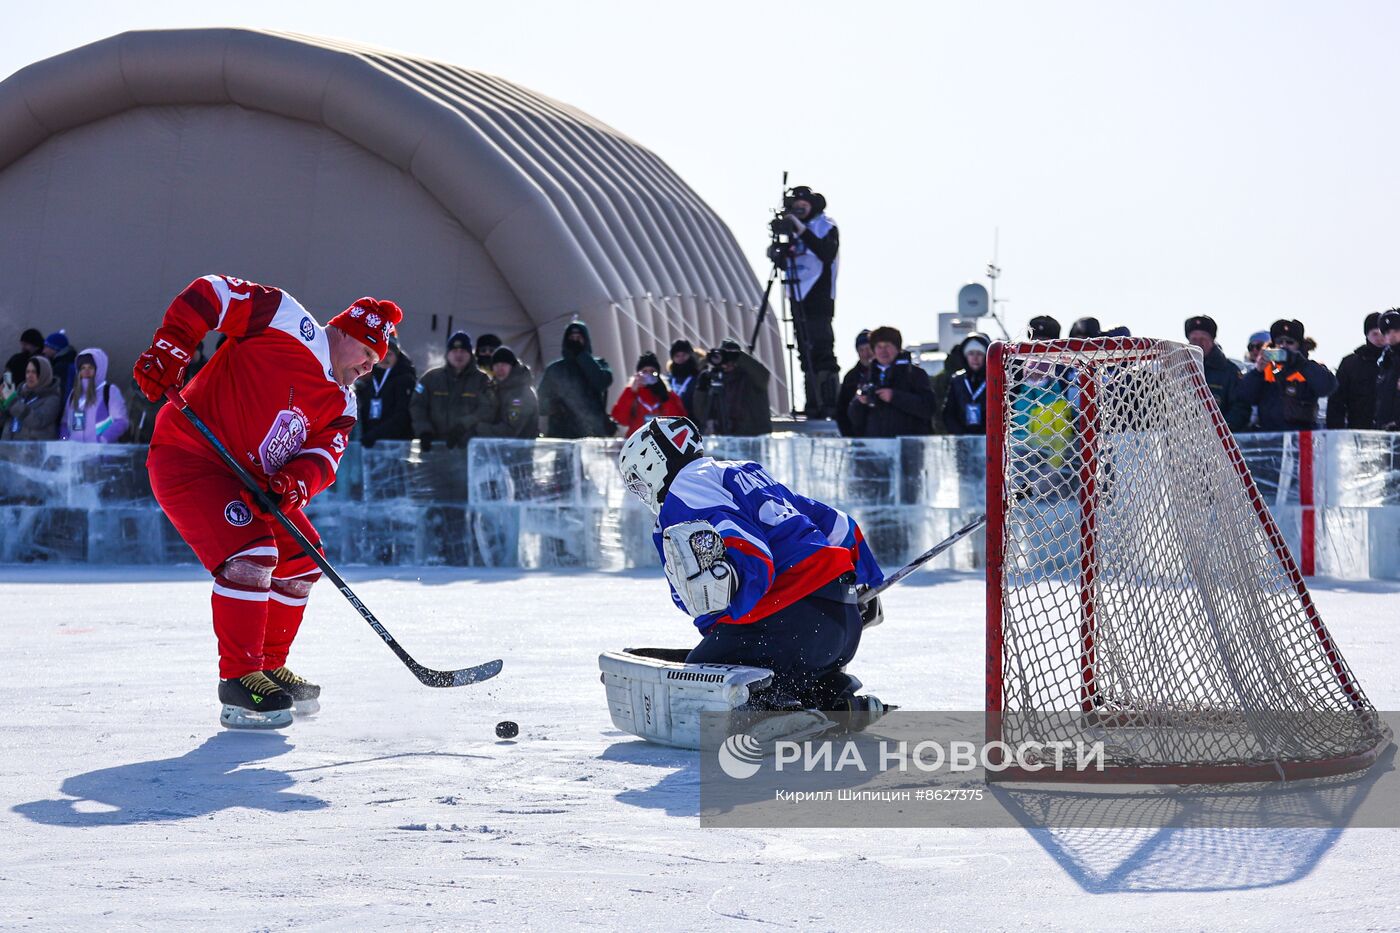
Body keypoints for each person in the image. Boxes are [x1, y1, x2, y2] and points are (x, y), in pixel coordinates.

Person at [132, 273, 402, 729]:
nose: (369, 368)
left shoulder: (344, 404)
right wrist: (172, 347)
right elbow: (210, 292)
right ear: (346, 334)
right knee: (252, 554)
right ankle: (238, 682)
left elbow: (322, 458)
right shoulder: (285, 319)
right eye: (368, 354)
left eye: (377, 361)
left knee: (303, 557)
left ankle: (267, 665)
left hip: (252, 483)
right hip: (190, 459)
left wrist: (293, 484)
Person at [617, 416, 886, 714]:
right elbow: (839, 523)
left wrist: (721, 623)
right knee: (793, 672)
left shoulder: (684, 489)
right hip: (841, 624)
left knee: (701, 675)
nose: (643, 492)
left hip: (790, 620)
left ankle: (769, 708)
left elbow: (751, 552)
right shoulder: (744, 471)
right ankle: (834, 700)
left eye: (639, 481)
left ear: (653, 461)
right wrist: (865, 584)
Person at [770, 185, 840, 417]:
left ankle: (828, 402)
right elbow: (782, 261)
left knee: (821, 351)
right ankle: (813, 402)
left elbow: (825, 252)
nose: (799, 210)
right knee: (805, 353)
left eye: (803, 206)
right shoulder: (795, 232)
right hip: (797, 297)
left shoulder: (825, 226)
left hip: (818, 298)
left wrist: (799, 228)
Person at [1238, 319, 1337, 432]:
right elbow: (1244, 396)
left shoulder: (1308, 368)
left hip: (1302, 437)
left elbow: (1328, 387)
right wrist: (1257, 372)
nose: (1284, 346)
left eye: (1289, 342)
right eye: (1280, 342)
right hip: (1270, 437)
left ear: (1299, 345)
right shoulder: (1266, 369)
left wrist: (1299, 361)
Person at [847, 326, 935, 438]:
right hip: (876, 447)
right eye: (879, 347)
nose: (883, 351)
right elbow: (854, 418)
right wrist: (860, 402)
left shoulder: (915, 374)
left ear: (898, 349)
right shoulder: (867, 376)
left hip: (908, 445)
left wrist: (895, 396)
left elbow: (928, 408)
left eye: (887, 346)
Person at [411, 331, 493, 450]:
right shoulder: (430, 378)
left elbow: (487, 409)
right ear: (447, 354)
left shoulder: (482, 380)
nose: (458, 355)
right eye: (454, 351)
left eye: (463, 351)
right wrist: (424, 431)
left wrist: (463, 426)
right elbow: (417, 405)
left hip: (466, 448)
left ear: (470, 354)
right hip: (433, 447)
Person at [538, 321, 614, 437]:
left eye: (579, 338)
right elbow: (540, 404)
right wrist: (557, 406)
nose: (575, 341)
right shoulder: (555, 370)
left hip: (592, 432)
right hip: (562, 434)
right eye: (572, 338)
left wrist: (582, 356)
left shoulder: (599, 365)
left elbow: (602, 382)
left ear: (586, 340)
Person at [692, 339, 772, 437]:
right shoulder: (715, 379)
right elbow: (701, 413)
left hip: (752, 436)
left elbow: (763, 376)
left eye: (731, 358)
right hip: (725, 437)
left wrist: (739, 356)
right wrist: (701, 388)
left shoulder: (750, 378)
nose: (727, 362)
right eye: (724, 357)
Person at [1184, 315, 1249, 432]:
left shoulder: (1230, 371)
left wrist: (1222, 430)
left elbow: (1240, 407)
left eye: (1203, 339)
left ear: (1212, 341)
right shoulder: (1178, 369)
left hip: (1219, 440)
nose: (1198, 344)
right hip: (1184, 439)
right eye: (1194, 340)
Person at [1327, 312, 1388, 430]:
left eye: (1383, 333)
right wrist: (1336, 432)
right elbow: (1337, 401)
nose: (1380, 338)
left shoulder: (1394, 362)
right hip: (1359, 430)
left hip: (1391, 432)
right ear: (1367, 335)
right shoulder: (1350, 364)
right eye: (1375, 333)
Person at [58, 347, 128, 444]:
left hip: (101, 455)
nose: (86, 371)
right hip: (75, 455)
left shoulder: (109, 391)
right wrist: (65, 440)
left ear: (99, 369)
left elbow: (121, 421)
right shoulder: (74, 393)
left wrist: (103, 439)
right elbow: (65, 423)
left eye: (90, 367)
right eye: (83, 368)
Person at [356, 340, 417, 447]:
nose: (385, 359)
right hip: (371, 446)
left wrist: (375, 435)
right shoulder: (369, 382)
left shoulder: (405, 380)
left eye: (389, 354)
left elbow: (402, 417)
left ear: (397, 357)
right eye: (382, 354)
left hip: (397, 446)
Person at [611, 352, 688, 434]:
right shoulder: (632, 393)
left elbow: (678, 420)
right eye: (644, 371)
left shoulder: (668, 394)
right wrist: (630, 392)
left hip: (661, 440)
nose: (648, 375)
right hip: (637, 440)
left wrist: (665, 397)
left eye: (653, 371)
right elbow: (621, 419)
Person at [477, 346, 539, 439]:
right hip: (498, 448)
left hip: (518, 449)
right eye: (496, 365)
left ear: (513, 366)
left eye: (504, 364)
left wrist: (477, 428)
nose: (500, 368)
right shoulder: (495, 389)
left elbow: (511, 430)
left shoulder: (522, 394)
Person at [1, 355, 62, 441]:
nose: (30, 375)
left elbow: (37, 421)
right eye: (27, 372)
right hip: (10, 449)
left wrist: (12, 402)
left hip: (34, 451)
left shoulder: (52, 398)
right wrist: (2, 403)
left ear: (44, 374)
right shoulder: (18, 393)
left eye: (34, 372)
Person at [942, 333, 990, 435]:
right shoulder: (957, 380)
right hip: (962, 441)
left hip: (988, 440)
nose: (975, 358)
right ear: (965, 356)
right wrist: (961, 434)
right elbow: (948, 413)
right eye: (971, 353)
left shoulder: (994, 379)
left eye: (979, 353)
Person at [835, 330, 875, 437]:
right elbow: (841, 411)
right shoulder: (850, 377)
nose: (866, 354)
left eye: (868, 349)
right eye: (862, 350)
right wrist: (849, 435)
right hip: (858, 436)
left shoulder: (887, 373)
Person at [1374, 310, 1400, 431]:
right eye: (1388, 332)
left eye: (1396, 330)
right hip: (1385, 428)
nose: (1392, 335)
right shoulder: (1384, 362)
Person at [42, 330, 78, 402]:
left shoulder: (61, 367)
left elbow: (62, 391)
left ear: (55, 348)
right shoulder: (69, 362)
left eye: (46, 347)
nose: (43, 351)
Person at [667, 339, 700, 415]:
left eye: (684, 355)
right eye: (677, 356)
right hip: (673, 420)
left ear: (690, 355)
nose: (681, 358)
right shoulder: (669, 379)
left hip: (693, 421)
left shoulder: (698, 377)